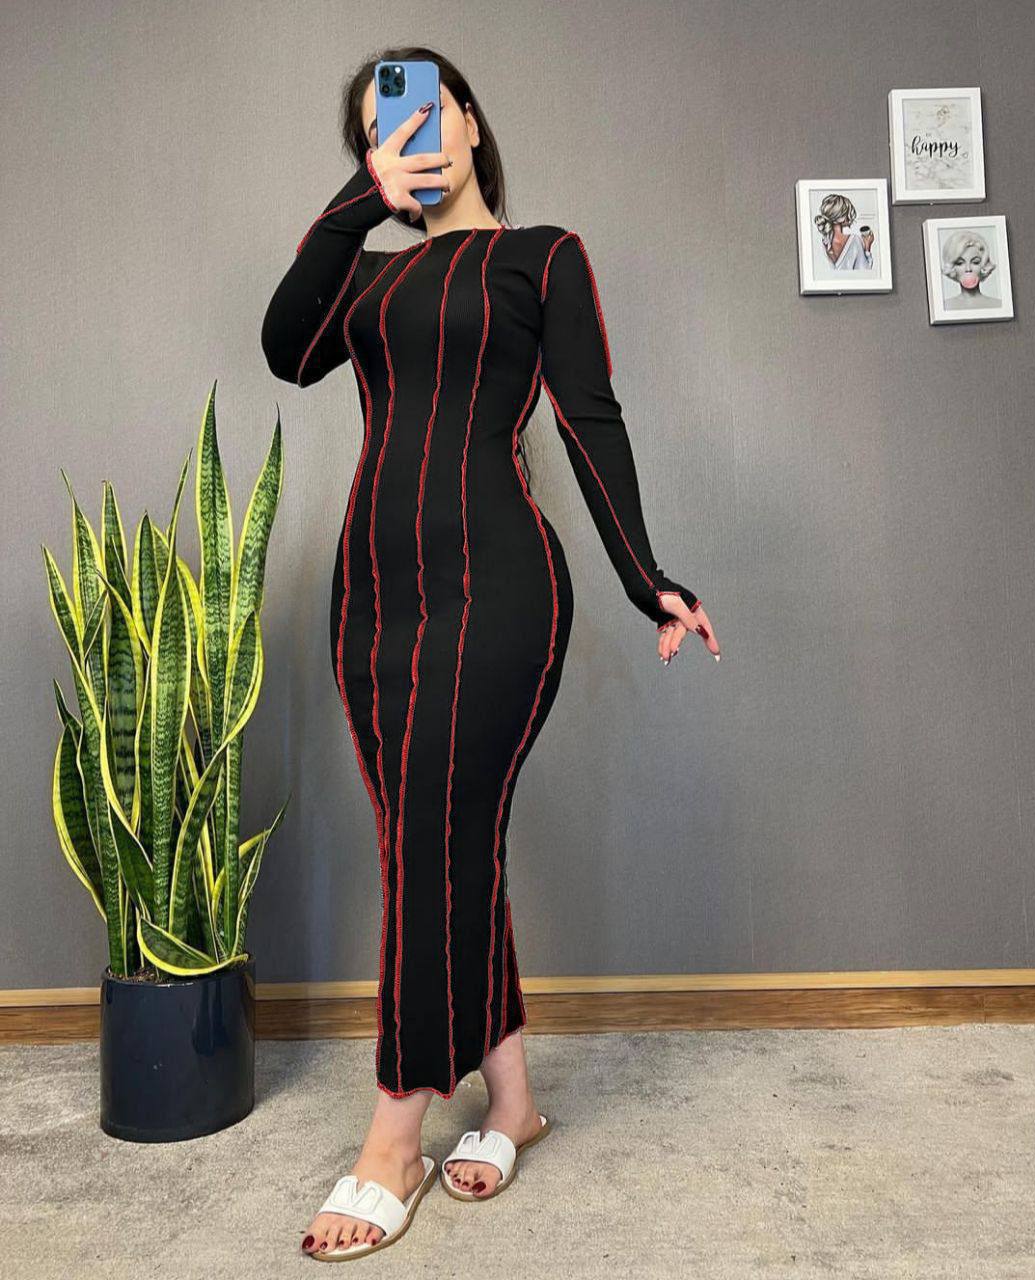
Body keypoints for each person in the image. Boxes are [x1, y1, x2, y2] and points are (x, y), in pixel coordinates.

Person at [261, 46, 720, 1261]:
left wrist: (646, 577)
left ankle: (391, 1137)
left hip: (500, 587)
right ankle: (511, 1101)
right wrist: (358, 201)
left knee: (432, 837)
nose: (409, 136)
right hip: (372, 597)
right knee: (436, 841)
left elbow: (588, 416)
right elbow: (283, 347)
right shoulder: (363, 279)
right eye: (381, 129)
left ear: (467, 118)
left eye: (425, 111)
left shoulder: (541, 256)